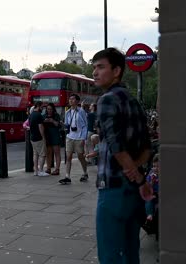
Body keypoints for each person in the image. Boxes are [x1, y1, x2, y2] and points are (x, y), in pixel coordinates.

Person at [92, 47, 151, 264]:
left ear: (117, 71)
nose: (95, 73)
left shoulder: (107, 99)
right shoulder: (134, 101)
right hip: (133, 192)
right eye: (93, 67)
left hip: (112, 188)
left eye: (100, 67)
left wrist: (133, 174)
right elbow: (147, 148)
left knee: (109, 255)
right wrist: (139, 180)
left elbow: (116, 147)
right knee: (130, 252)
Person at [60, 94, 88, 184]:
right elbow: (67, 124)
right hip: (70, 136)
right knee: (68, 157)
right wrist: (63, 125)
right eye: (70, 99)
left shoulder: (81, 111)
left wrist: (84, 137)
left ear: (77, 101)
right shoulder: (68, 112)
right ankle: (67, 176)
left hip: (79, 137)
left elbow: (85, 125)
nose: (70, 100)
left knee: (80, 156)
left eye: (72, 99)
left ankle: (85, 173)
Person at [28, 101, 49, 176]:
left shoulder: (31, 115)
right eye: (42, 107)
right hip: (39, 138)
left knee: (35, 154)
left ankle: (36, 171)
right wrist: (43, 137)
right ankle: (41, 171)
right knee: (42, 154)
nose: (43, 108)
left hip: (32, 137)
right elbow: (40, 127)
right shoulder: (39, 115)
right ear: (38, 106)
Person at [42, 103, 62, 175]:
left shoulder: (56, 115)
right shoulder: (44, 116)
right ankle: (48, 168)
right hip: (47, 136)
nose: (49, 110)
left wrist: (52, 121)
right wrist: (44, 121)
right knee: (48, 153)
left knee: (57, 152)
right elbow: (40, 125)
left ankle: (57, 169)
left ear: (53, 109)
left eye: (50, 109)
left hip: (55, 135)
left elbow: (59, 125)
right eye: (48, 109)